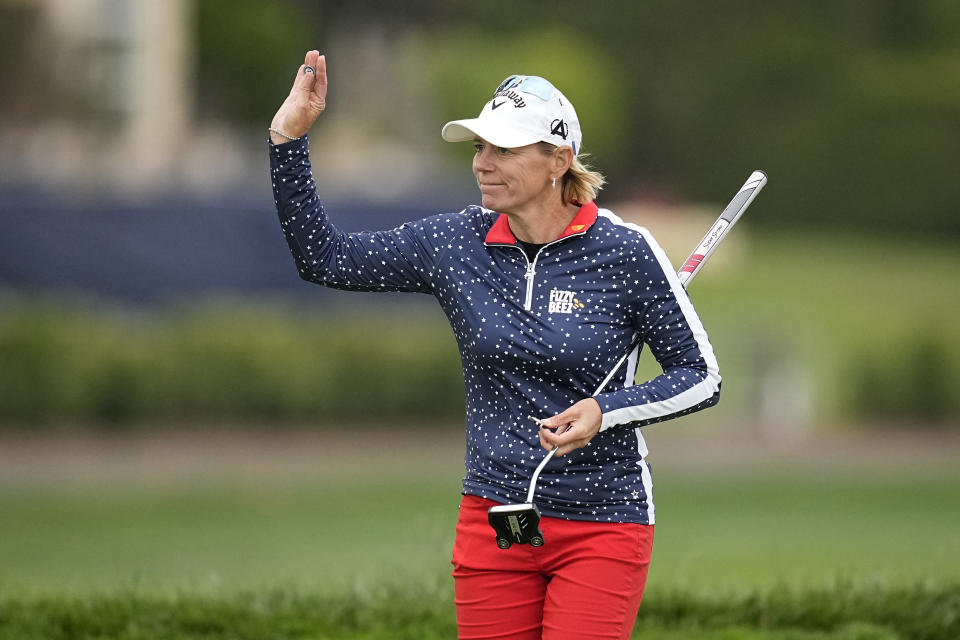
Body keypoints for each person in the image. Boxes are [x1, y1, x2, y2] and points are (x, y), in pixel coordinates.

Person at [269, 50, 721, 640]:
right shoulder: (454, 242)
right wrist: (287, 144)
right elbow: (324, 258)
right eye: (479, 147)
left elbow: (700, 375)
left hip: (603, 523)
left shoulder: (626, 252)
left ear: (558, 160)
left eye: (503, 150)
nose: (482, 163)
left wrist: (605, 410)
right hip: (494, 520)